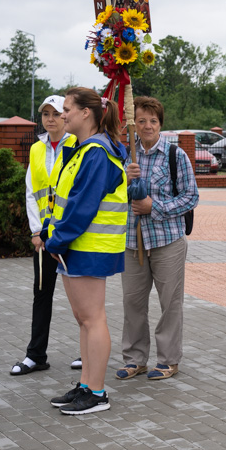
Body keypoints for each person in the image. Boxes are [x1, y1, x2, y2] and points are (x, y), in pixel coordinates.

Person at [45, 87, 128, 415]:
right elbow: (64, 199)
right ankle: (85, 385)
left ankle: (96, 393)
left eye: (67, 109)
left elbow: (82, 207)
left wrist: (56, 240)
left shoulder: (96, 152)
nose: (62, 114)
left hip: (89, 245)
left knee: (93, 319)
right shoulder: (82, 149)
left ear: (85, 114)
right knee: (84, 319)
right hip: (77, 245)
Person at [115, 96, 199, 381]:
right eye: (141, 121)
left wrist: (156, 207)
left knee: (170, 304)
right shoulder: (126, 156)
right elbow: (110, 196)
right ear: (133, 124)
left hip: (167, 242)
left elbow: (191, 197)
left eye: (152, 120)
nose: (147, 126)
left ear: (160, 123)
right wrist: (125, 181)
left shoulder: (176, 156)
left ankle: (168, 360)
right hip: (132, 242)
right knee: (132, 303)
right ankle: (135, 359)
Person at [10, 96, 79, 376]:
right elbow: (31, 192)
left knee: (81, 298)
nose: (51, 119)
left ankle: (88, 352)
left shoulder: (78, 145)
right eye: (45, 114)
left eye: (57, 113)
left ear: (67, 115)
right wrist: (36, 231)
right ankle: (36, 355)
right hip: (44, 236)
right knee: (42, 294)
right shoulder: (37, 149)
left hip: (73, 234)